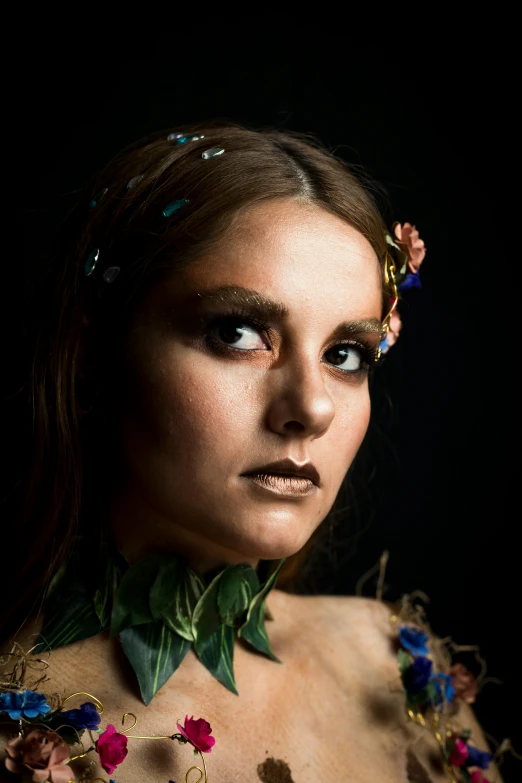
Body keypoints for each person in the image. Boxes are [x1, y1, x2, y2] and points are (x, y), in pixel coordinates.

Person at [0, 122, 503, 782]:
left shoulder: (401, 671)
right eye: (237, 332)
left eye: (346, 355)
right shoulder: (25, 736)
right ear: (94, 356)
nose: (314, 407)